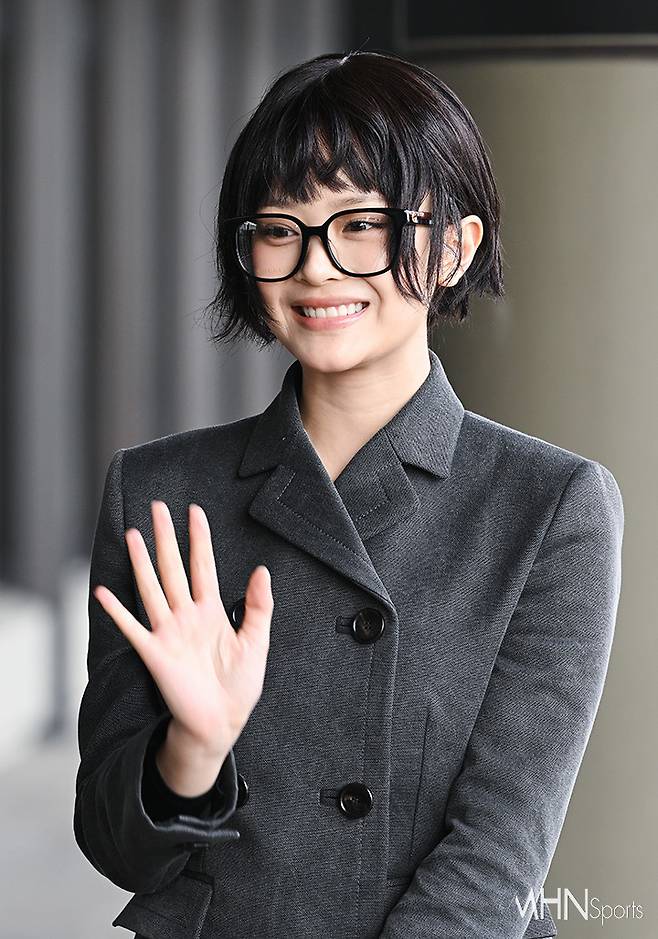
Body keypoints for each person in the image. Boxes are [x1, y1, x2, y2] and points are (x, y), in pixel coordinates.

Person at [74, 50, 624, 939]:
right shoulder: (161, 492)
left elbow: (496, 855)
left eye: (360, 223)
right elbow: (114, 846)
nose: (316, 267)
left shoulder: (550, 506)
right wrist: (193, 751)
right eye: (279, 227)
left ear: (454, 247)